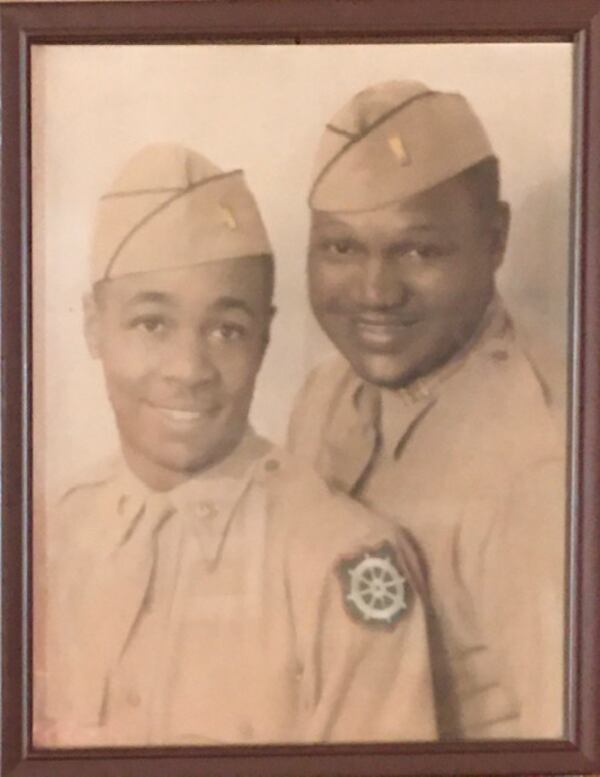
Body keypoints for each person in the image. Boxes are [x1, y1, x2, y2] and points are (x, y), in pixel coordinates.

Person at [33, 143, 437, 748]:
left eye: (227, 330)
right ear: (95, 326)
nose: (189, 368)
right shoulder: (46, 534)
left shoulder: (338, 561)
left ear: (265, 337)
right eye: (152, 323)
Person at [288, 81, 566, 740]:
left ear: (495, 239)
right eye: (341, 247)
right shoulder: (324, 395)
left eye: (418, 250)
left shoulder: (543, 459)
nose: (375, 292)